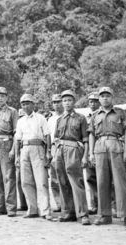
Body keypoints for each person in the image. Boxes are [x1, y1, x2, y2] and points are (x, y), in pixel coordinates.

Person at [89, 87, 126, 228]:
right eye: (102, 96)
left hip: (116, 145)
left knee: (120, 182)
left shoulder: (120, 112)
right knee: (102, 182)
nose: (105, 98)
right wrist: (91, 153)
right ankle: (104, 215)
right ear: (99, 99)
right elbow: (91, 133)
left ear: (112, 98)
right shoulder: (95, 115)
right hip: (99, 147)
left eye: (108, 96)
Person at [53, 90, 91, 225]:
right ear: (62, 103)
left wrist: (85, 156)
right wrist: (55, 154)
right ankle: (68, 212)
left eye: (69, 100)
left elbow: (85, 139)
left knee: (76, 182)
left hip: (74, 150)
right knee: (62, 182)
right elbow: (56, 138)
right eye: (64, 100)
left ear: (73, 102)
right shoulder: (59, 119)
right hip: (59, 151)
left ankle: (83, 214)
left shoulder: (81, 118)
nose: (66, 103)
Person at [15, 94, 52, 220]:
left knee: (41, 181)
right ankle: (32, 209)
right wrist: (16, 156)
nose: (25, 106)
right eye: (23, 104)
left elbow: (47, 135)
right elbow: (17, 139)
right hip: (24, 149)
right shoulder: (20, 121)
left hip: (38, 148)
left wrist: (48, 152)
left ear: (33, 104)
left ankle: (45, 210)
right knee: (26, 181)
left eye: (28, 103)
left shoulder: (40, 118)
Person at [0, 87, 18, 217]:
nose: (0, 98)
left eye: (2, 96)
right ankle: (0, 206)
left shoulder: (12, 111)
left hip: (7, 143)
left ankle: (11, 208)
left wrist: (13, 149)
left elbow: (16, 132)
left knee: (8, 176)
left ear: (6, 97)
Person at [47, 94, 63, 213]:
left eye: (58, 102)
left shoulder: (67, 116)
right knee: (54, 178)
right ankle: (58, 203)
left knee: (66, 176)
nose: (56, 104)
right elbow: (47, 136)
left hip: (65, 146)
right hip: (53, 147)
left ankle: (68, 203)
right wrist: (48, 150)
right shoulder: (51, 119)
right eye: (54, 102)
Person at [85, 92, 101, 215]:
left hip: (102, 149)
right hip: (90, 151)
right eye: (91, 101)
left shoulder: (103, 114)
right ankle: (94, 205)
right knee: (91, 178)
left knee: (107, 179)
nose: (93, 103)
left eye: (95, 101)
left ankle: (112, 205)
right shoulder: (86, 117)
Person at [15, 108, 27, 211]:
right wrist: (16, 156)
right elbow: (16, 141)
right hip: (20, 153)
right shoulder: (19, 125)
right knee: (19, 180)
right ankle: (23, 204)